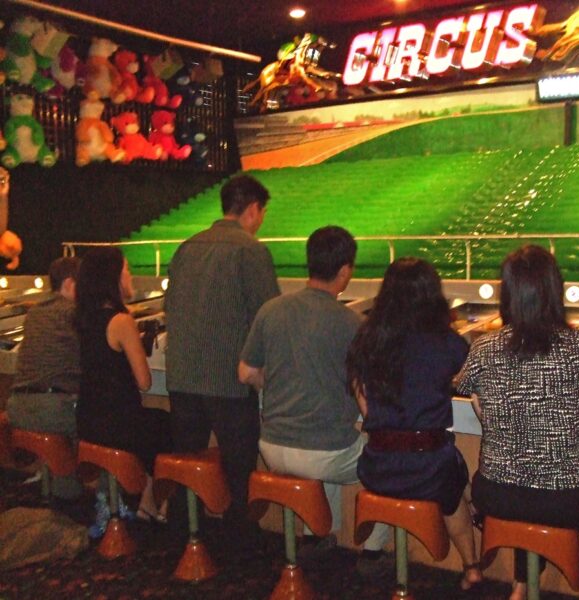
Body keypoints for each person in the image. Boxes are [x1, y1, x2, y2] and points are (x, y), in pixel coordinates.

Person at [457, 245, 579, 600]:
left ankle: (522, 584)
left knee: (524, 480)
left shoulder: (483, 348)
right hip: (567, 496)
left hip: (496, 492)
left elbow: (480, 407)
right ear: (554, 290)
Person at [238, 226, 390, 571]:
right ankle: (373, 552)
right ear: (345, 271)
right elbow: (367, 390)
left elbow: (246, 373)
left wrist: (277, 382)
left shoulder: (271, 310)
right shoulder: (352, 323)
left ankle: (317, 535)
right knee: (387, 460)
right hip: (324, 452)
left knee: (330, 441)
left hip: (271, 448)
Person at [347, 257, 482, 590]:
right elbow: (470, 382)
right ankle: (471, 567)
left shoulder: (367, 339)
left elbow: (362, 398)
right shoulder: (446, 342)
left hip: (377, 466)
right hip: (429, 469)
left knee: (451, 470)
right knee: (453, 488)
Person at [165, 174, 280, 546]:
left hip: (182, 376)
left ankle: (184, 532)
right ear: (253, 209)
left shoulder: (187, 247)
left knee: (187, 463)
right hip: (229, 381)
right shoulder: (250, 250)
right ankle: (238, 538)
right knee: (239, 466)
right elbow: (267, 316)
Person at [75, 247, 172, 529]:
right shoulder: (121, 321)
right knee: (172, 428)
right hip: (117, 423)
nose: (131, 276)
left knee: (155, 425)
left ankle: (143, 501)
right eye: (127, 270)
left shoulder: (83, 318)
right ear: (113, 278)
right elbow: (145, 382)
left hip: (88, 420)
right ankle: (159, 503)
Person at [7, 256, 83, 500]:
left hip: (17, 407)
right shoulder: (74, 313)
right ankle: (94, 501)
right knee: (102, 429)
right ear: (70, 284)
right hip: (52, 410)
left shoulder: (35, 312)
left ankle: (47, 481)